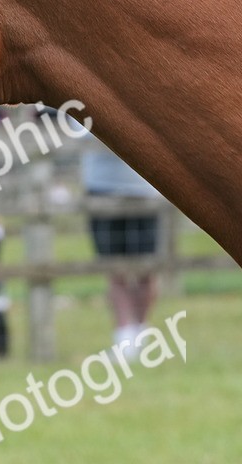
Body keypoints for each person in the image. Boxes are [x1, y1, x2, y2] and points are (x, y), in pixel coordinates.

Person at [80, 135, 166, 359]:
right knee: (114, 270)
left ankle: (141, 331)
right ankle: (125, 337)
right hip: (101, 190)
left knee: (146, 271)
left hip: (144, 191)